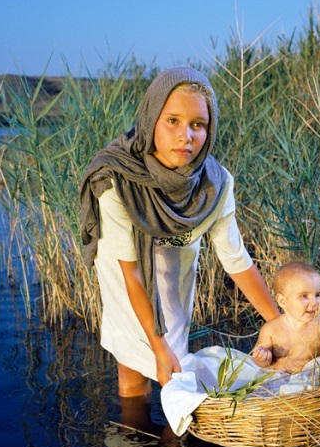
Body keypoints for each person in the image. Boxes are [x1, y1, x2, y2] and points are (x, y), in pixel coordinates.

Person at [80, 66, 279, 401]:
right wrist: (157, 346)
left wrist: (280, 324)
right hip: (127, 277)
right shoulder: (116, 182)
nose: (185, 135)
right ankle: (134, 442)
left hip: (174, 276)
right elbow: (132, 274)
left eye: (198, 125)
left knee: (175, 366)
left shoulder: (215, 184)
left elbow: (236, 260)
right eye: (172, 120)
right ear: (151, 118)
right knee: (134, 368)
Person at [251, 261, 320, 373]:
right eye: (304, 296)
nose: (314, 302)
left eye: (318, 295)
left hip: (309, 383)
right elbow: (259, 361)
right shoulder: (270, 330)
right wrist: (263, 358)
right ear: (282, 301)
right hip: (276, 379)